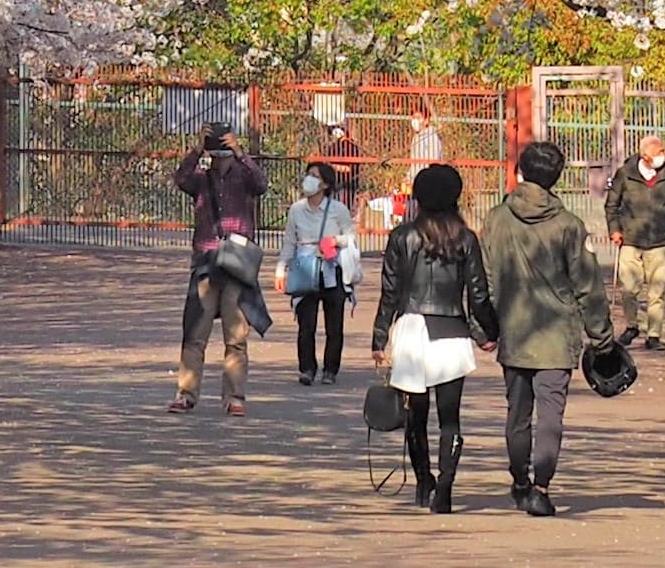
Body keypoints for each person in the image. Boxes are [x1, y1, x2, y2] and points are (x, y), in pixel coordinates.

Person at [369, 161, 499, 512]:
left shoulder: (402, 237)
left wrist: (380, 339)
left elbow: (390, 293)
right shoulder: (466, 238)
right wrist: (487, 333)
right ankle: (445, 487)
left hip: (411, 330)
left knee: (415, 416)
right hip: (452, 334)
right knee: (450, 418)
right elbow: (478, 295)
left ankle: (423, 479)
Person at [482, 138, 597, 516]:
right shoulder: (568, 225)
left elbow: (485, 278)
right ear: (557, 178)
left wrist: (483, 328)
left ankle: (519, 480)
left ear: (521, 171)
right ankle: (542, 487)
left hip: (514, 331)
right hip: (556, 334)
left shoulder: (496, 219)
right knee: (551, 415)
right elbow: (587, 284)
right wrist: (602, 334)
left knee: (517, 414)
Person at [169, 117, 270, 414]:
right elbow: (181, 178)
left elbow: (262, 184)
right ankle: (186, 394)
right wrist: (198, 149)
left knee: (235, 336)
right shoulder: (201, 178)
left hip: (236, 266)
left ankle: (235, 396)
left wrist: (241, 152)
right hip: (206, 261)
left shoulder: (243, 176)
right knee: (194, 334)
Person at [603, 132, 665, 346]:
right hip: (630, 239)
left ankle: (654, 334)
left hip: (657, 241)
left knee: (657, 290)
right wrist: (614, 229)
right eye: (660, 152)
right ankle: (632, 326)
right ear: (646, 155)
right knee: (629, 288)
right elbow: (611, 204)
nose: (663, 155)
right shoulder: (625, 174)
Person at [281, 158, 355, 382]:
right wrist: (280, 269)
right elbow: (289, 242)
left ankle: (330, 370)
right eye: (308, 175)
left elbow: (351, 237)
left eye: (315, 176)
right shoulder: (296, 210)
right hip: (305, 268)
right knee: (306, 323)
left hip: (332, 269)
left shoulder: (338, 210)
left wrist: (334, 241)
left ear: (325, 184)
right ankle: (307, 369)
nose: (309, 180)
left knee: (334, 324)